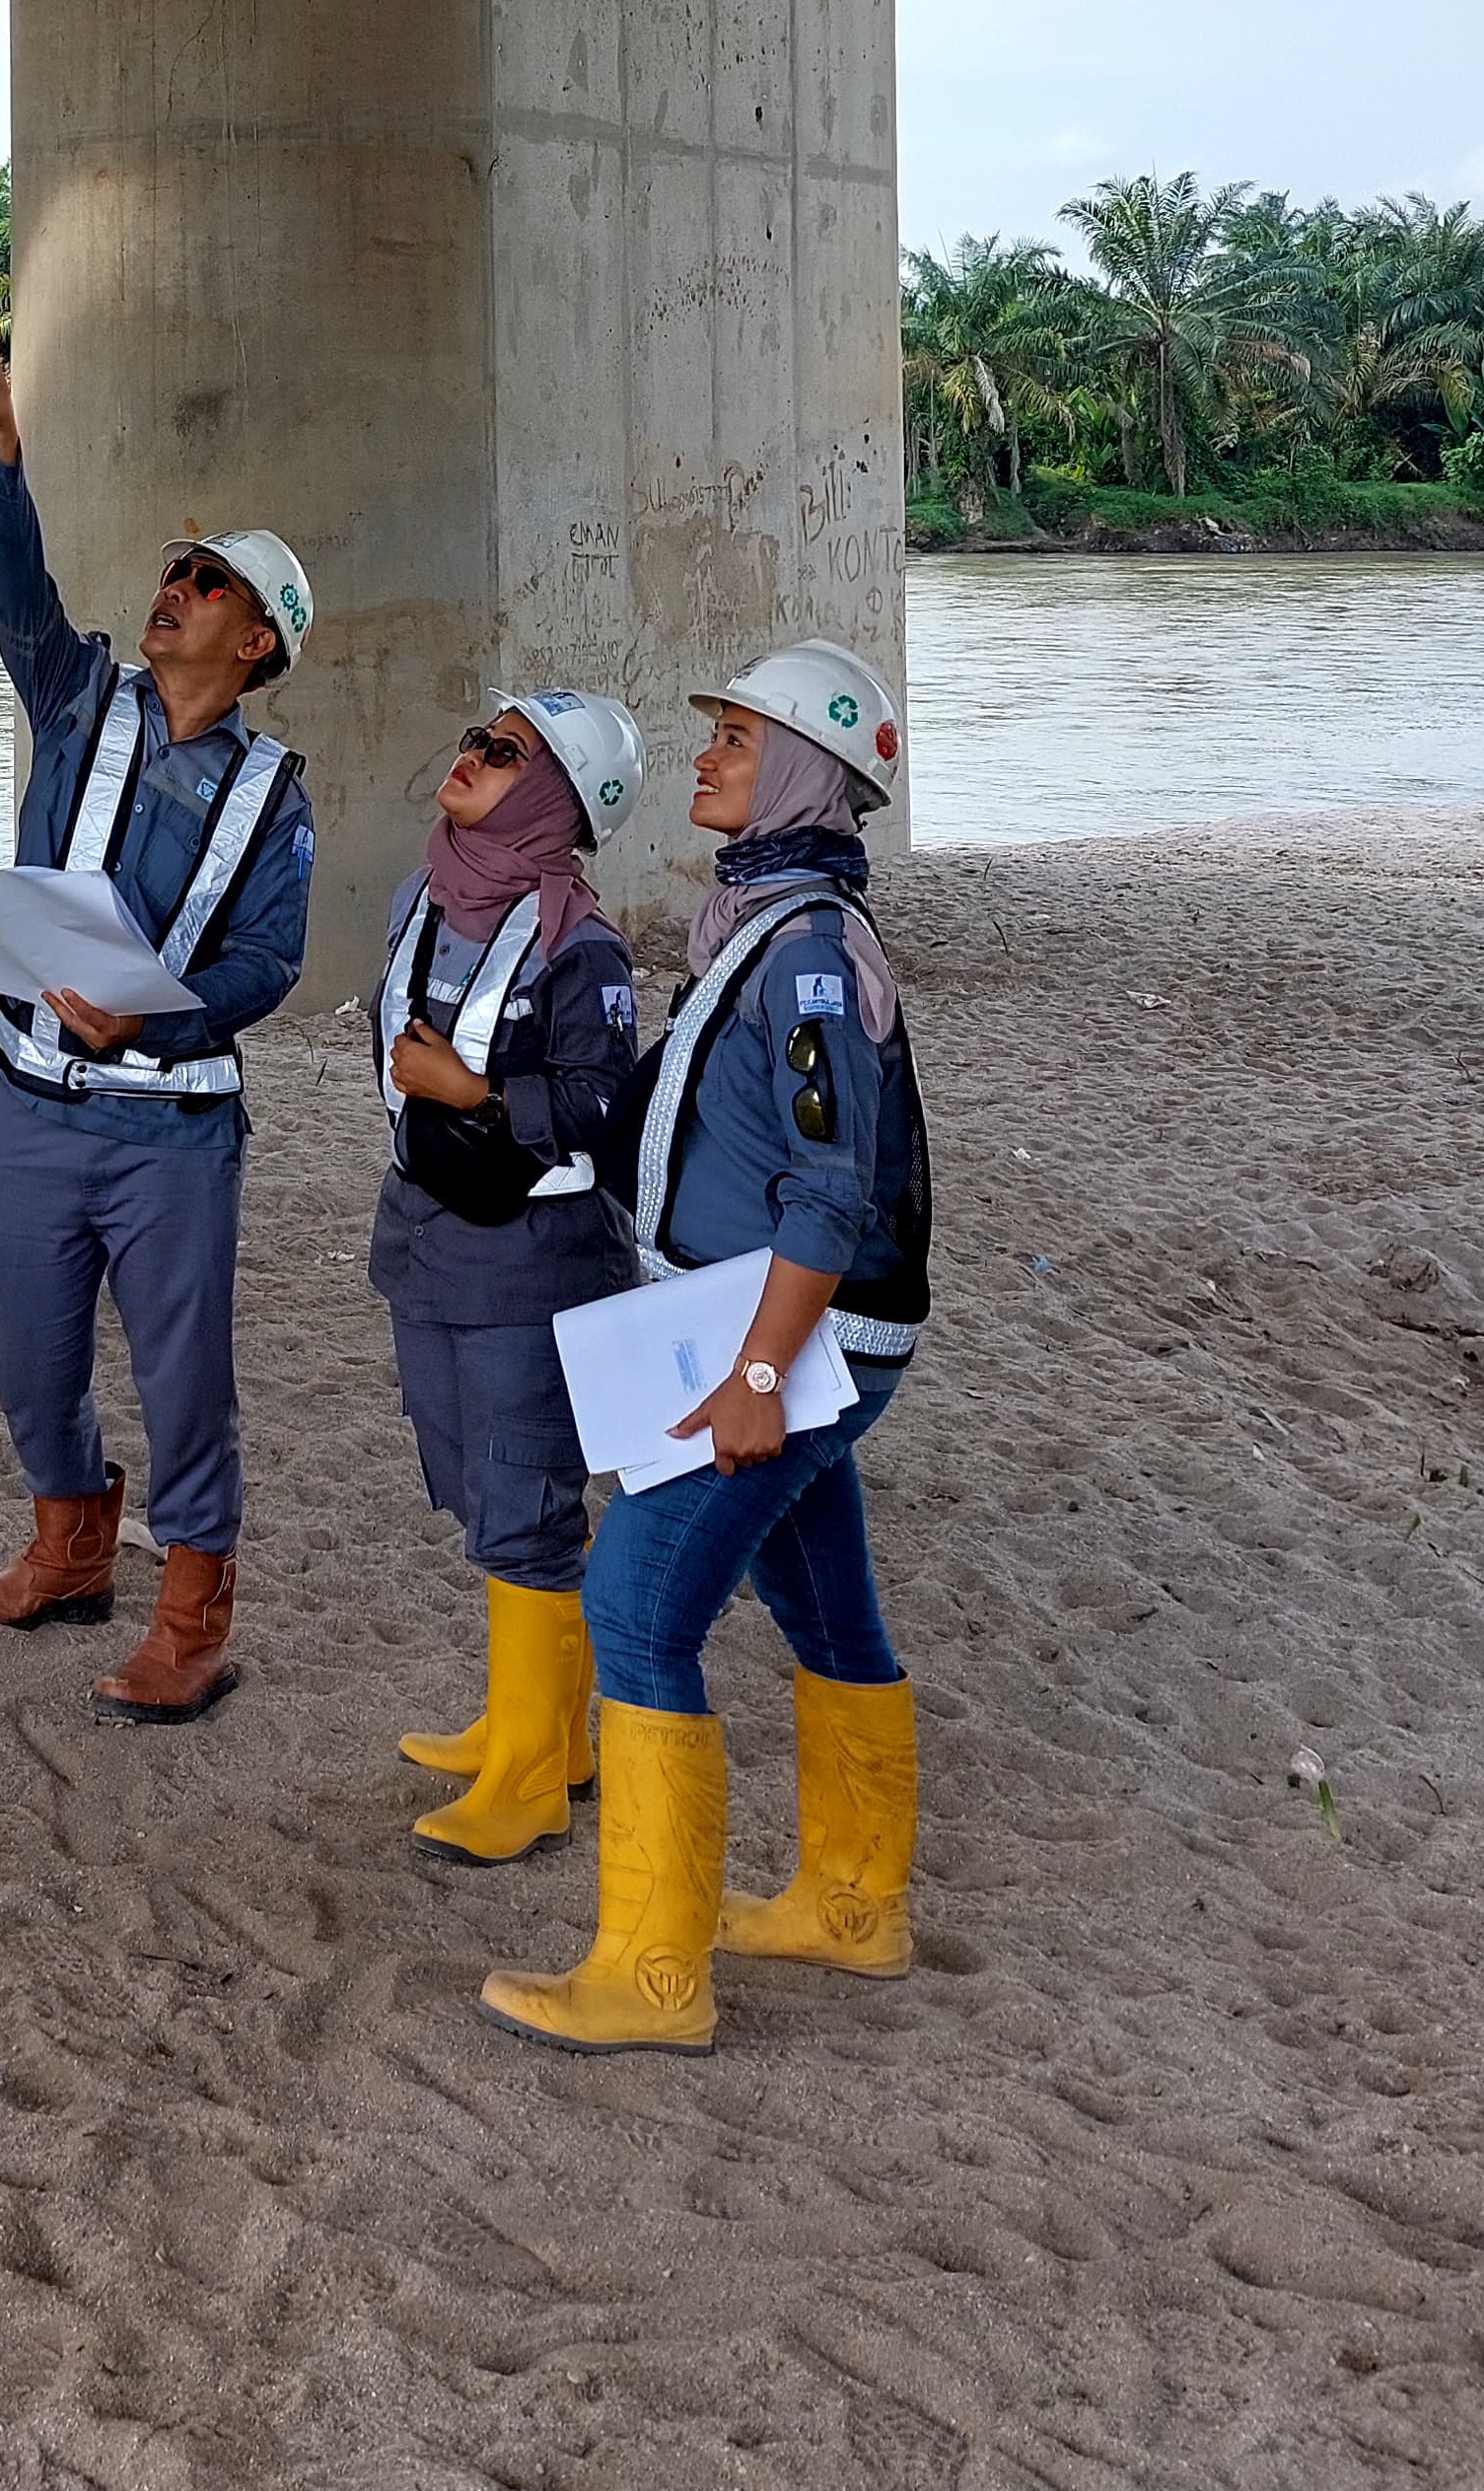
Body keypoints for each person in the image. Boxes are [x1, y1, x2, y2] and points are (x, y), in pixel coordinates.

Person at [482, 640, 934, 2056]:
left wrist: (753, 1377)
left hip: (796, 1338)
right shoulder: (768, 922)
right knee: (827, 1613)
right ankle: (856, 1907)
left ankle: (651, 1976)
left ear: (804, 770)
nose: (707, 756)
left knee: (632, 1611)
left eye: (735, 736)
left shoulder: (805, 954)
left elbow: (831, 1191)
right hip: (785, 1328)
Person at [0, 306, 316, 1728]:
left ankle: (192, 1615)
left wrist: (153, 1025)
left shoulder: (276, 793)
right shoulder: (78, 695)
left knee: (183, 1379)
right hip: (27, 1106)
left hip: (171, 1141)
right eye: (173, 570)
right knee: (30, 1350)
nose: (174, 590)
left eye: (206, 583)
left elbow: (269, 967)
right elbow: (15, 590)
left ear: (261, 640)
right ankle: (69, 1546)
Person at [376, 683, 646, 1861]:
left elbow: (606, 1108)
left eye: (504, 751)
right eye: (476, 737)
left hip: (534, 1255)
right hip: (428, 1236)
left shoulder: (582, 945)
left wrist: (478, 1095)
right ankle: (538, 1724)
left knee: (526, 1498)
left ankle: (535, 1775)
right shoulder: (423, 900)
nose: (472, 756)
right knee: (476, 1482)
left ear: (553, 795)